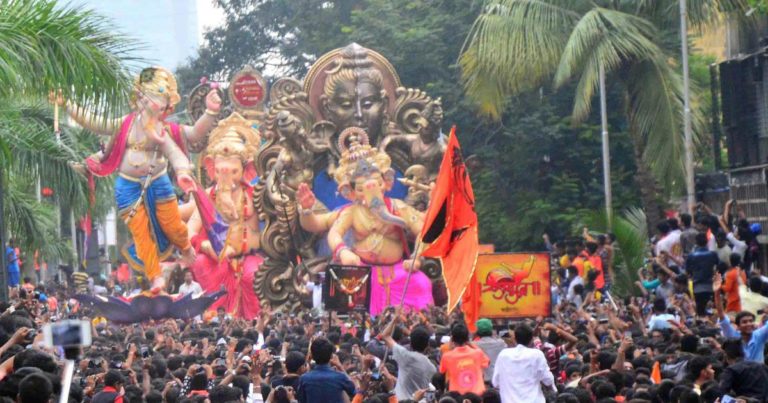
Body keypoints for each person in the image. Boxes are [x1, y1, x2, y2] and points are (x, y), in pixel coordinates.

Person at [380, 308, 436, 400]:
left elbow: (385, 336)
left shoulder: (405, 356)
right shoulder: (432, 368)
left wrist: (394, 319)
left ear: (410, 343)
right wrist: (392, 378)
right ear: (428, 345)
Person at [493, 323, 555, 403]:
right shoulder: (536, 354)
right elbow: (548, 380)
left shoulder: (503, 355)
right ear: (531, 339)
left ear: (515, 338)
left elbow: (495, 382)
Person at [714, 274, 768, 362]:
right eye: (744, 322)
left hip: (758, 371)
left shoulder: (759, 335)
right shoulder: (733, 336)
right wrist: (717, 293)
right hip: (739, 370)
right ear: (738, 326)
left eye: (751, 321)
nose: (749, 324)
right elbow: (721, 315)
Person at [296, 337, 355, 403]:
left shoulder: (304, 379)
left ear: (312, 356)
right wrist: (341, 367)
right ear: (331, 356)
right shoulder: (340, 377)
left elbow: (301, 400)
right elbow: (354, 392)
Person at [440, 323, 489, 396]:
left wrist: (450, 348)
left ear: (452, 339)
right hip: (477, 395)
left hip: (457, 396)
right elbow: (487, 362)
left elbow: (442, 371)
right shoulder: (478, 353)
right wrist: (471, 344)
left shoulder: (447, 356)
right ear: (467, 338)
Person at [685, 232, 719, 316]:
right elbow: (718, 267)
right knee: (712, 311)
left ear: (696, 242)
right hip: (711, 286)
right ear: (707, 241)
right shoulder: (713, 254)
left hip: (697, 286)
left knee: (700, 310)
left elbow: (688, 271)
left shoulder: (691, 256)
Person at [474, 318, 506, 384]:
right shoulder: (501, 343)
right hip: (498, 380)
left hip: (482, 381)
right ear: (491, 330)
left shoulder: (474, 346)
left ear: (477, 332)